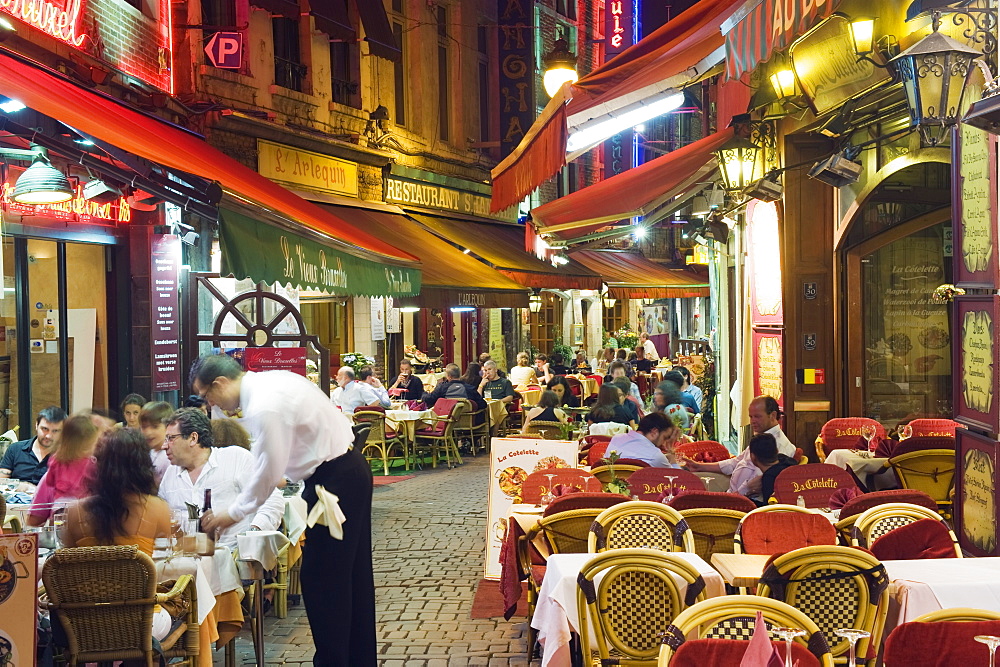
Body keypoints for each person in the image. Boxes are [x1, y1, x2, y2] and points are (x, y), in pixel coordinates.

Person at [190, 353, 376, 665]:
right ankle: (355, 658)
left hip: (336, 481)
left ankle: (335, 660)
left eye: (208, 395)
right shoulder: (270, 383)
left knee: (323, 579)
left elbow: (267, 468)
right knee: (349, 577)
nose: (211, 405)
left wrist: (232, 513)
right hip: (342, 472)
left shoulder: (264, 403)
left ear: (220, 383)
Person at [159, 408, 283, 547]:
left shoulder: (236, 459)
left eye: (171, 438)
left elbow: (272, 500)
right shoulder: (171, 474)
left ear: (193, 438)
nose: (164, 446)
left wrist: (253, 534)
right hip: (186, 560)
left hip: (234, 556)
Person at [62, 427, 172, 557]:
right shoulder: (160, 509)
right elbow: (165, 560)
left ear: (100, 466)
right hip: (140, 577)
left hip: (89, 578)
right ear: (143, 465)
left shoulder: (74, 513)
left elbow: (65, 565)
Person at [683, 396, 795, 495]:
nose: (752, 421)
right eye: (751, 417)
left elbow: (759, 484)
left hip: (743, 500)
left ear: (773, 415)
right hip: (731, 490)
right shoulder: (762, 438)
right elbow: (735, 462)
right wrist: (699, 466)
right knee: (687, 481)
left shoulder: (778, 445)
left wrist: (733, 497)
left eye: (757, 416)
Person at [27, 413, 99, 526]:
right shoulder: (94, 465)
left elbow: (33, 521)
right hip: (86, 520)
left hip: (60, 511)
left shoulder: (56, 460)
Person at [0, 406, 66, 485]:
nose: (48, 435)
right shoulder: (15, 449)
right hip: (17, 495)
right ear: (36, 425)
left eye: (55, 431)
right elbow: (2, 481)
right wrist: (20, 485)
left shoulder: (68, 455)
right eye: (45, 429)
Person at [606, 412, 683, 468]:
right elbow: (678, 480)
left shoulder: (616, 439)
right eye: (664, 437)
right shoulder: (656, 455)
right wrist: (673, 460)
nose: (663, 443)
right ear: (654, 432)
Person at [748, 432, 798, 505]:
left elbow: (769, 509)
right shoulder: (787, 461)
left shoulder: (769, 478)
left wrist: (748, 501)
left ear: (753, 457)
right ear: (777, 451)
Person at [140, 401, 174, 486]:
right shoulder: (151, 452)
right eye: (144, 427)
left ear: (168, 427)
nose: (148, 432)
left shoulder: (169, 457)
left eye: (155, 427)